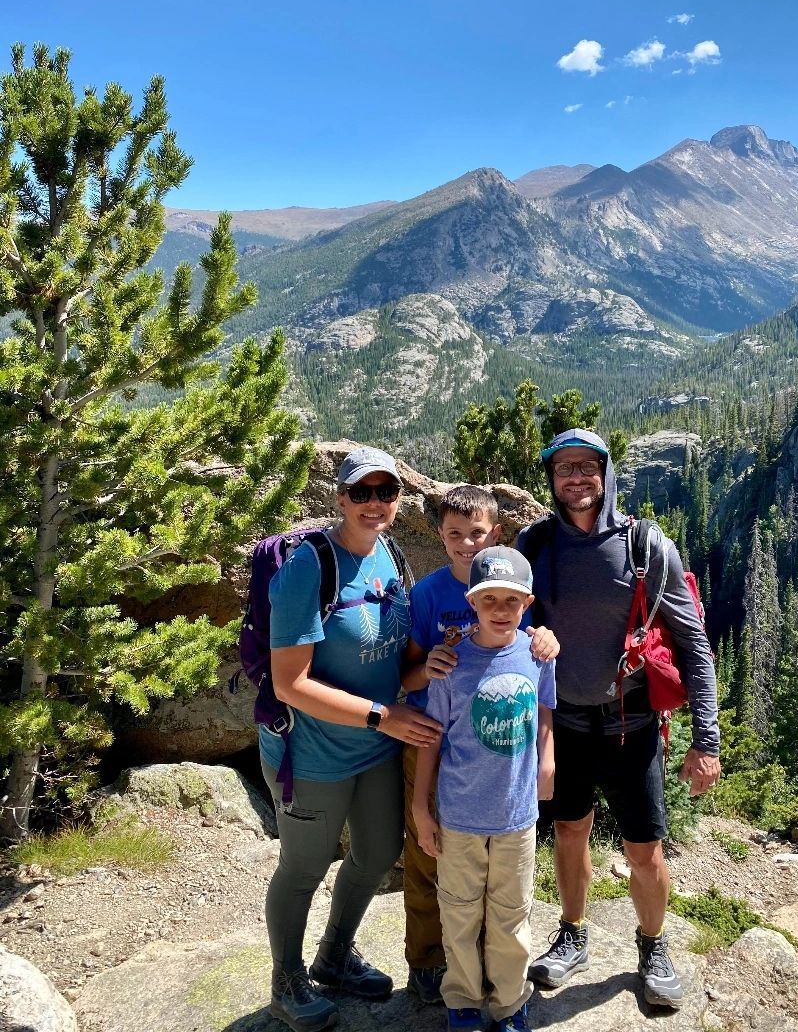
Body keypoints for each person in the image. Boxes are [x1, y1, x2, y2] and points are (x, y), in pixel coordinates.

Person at [519, 429, 720, 1011]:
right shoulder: (537, 546)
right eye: (563, 470)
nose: (575, 479)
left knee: (644, 849)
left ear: (606, 473)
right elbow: (500, 615)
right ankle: (574, 932)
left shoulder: (644, 545)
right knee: (568, 831)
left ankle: (653, 946)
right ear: (552, 481)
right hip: (567, 722)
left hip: (630, 725)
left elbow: (693, 643)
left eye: (586, 467)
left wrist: (705, 738)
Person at [260, 445, 442, 1032]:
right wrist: (381, 716)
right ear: (340, 497)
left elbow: (392, 664)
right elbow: (291, 684)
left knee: (377, 853)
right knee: (304, 866)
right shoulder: (310, 566)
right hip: (312, 750)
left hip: (377, 744)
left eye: (385, 492)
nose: (374, 503)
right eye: (361, 492)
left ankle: (334, 957)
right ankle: (287, 979)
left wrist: (436, 667)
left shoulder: (390, 556)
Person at [400, 486, 560, 1006]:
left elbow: (538, 692)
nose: (466, 543)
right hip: (438, 743)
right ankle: (438, 973)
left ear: (495, 533)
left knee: (508, 903)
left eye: (477, 533)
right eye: (454, 534)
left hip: (508, 793)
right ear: (440, 537)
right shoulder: (427, 595)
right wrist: (431, 669)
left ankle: (503, 992)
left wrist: (548, 756)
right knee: (437, 874)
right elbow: (405, 674)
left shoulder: (528, 637)